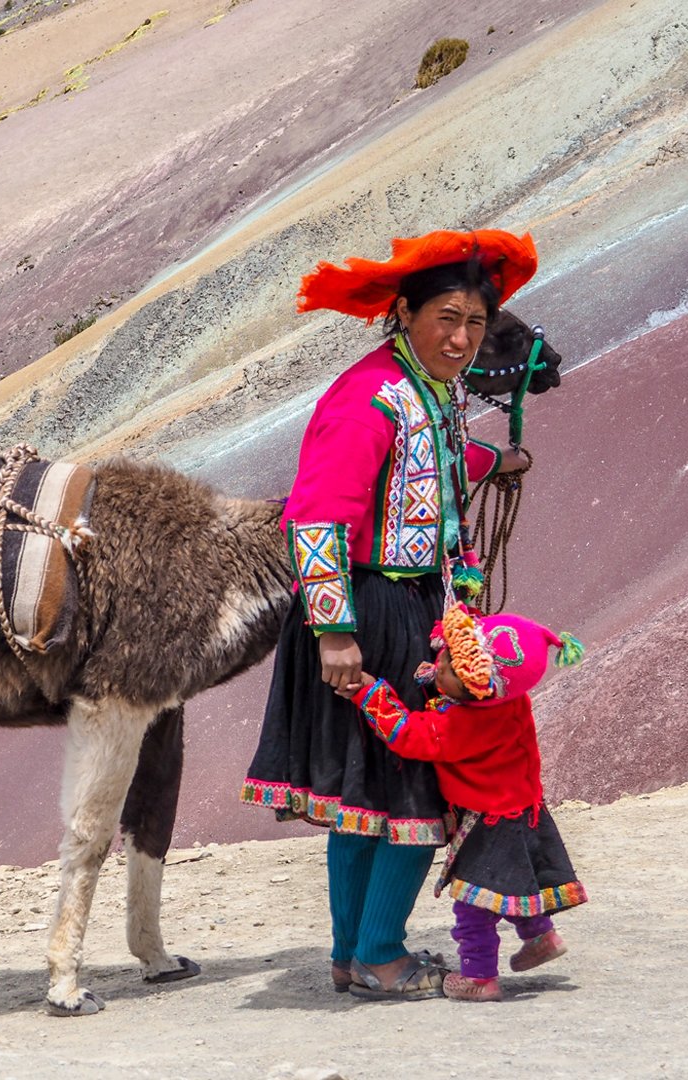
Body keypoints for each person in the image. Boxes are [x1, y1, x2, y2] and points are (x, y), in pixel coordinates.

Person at [241, 228, 537, 1001]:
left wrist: (494, 461)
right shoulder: (369, 397)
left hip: (408, 601)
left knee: (366, 797)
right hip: (370, 610)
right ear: (405, 311)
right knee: (418, 790)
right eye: (446, 317)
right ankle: (381, 954)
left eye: (475, 323)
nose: (462, 337)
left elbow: (430, 462)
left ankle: (352, 955)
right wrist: (335, 632)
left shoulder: (425, 390)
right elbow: (316, 518)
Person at [343, 602, 588, 1001]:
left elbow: (410, 735)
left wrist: (371, 694)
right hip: (522, 809)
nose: (442, 669)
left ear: (481, 691)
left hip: (487, 824)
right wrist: (440, 679)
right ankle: (541, 936)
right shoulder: (508, 701)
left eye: (456, 673)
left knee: (474, 905)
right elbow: (450, 690)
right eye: (449, 657)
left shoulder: (466, 722)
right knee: (514, 883)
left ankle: (480, 978)